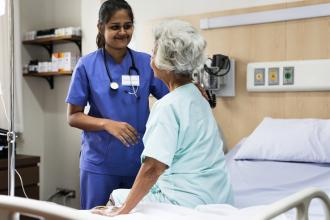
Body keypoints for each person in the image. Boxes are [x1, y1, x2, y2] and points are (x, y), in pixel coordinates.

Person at [93, 19, 234, 217]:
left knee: (116, 197)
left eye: (155, 50)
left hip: (185, 203)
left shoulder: (167, 106)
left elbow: (153, 168)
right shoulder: (198, 96)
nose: (151, 54)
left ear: (168, 64)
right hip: (218, 197)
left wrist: (124, 209)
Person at [65, 0, 168, 209]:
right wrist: (107, 124)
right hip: (99, 165)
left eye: (127, 26)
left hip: (138, 164)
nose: (123, 32)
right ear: (101, 27)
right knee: (96, 214)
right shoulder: (86, 65)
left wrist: (192, 87)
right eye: (115, 27)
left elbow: (171, 95)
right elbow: (73, 116)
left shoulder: (145, 63)